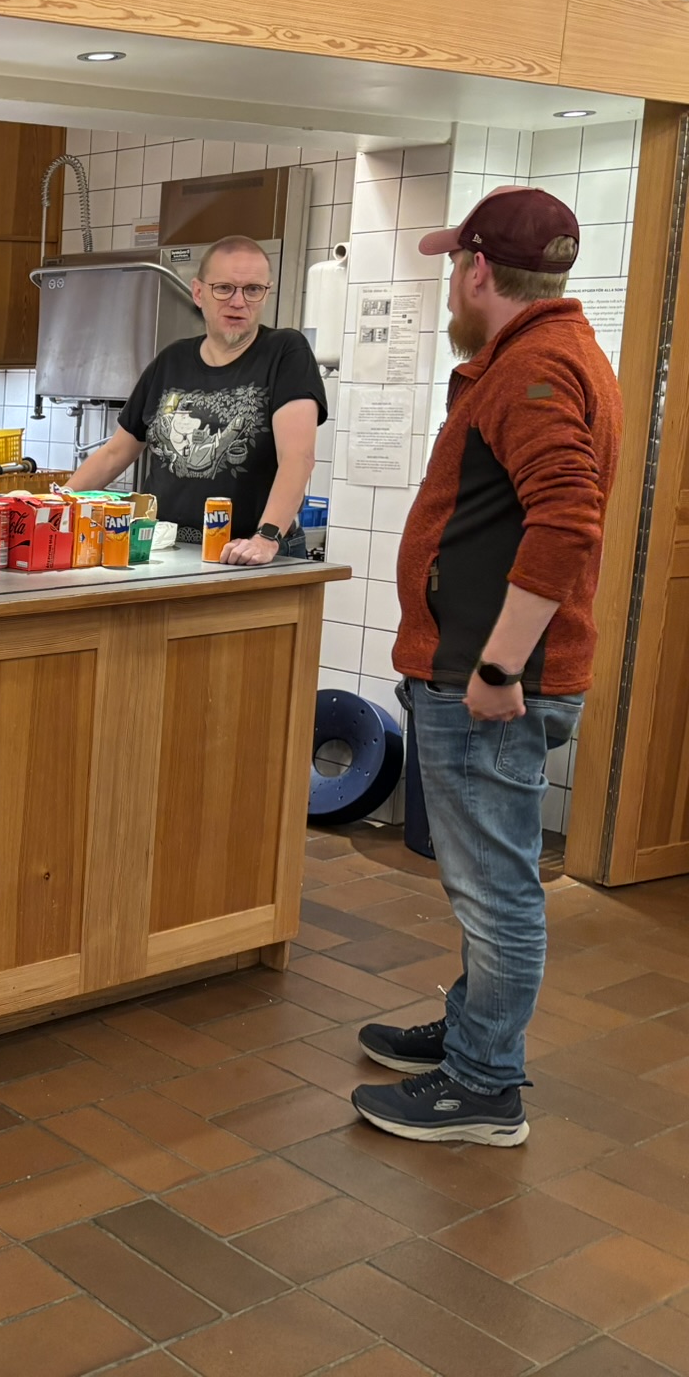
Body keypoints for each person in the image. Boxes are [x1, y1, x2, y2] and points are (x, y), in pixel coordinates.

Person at [353, 187, 620, 1147]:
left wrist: (500, 668)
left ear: (476, 270)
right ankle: (473, 1031)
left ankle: (483, 1085)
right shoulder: (551, 352)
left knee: (496, 889)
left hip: (490, 684)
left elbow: (567, 518)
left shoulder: (534, 368)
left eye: (451, 269)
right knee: (486, 880)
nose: (449, 291)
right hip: (486, 671)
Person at [65, 234, 325, 564]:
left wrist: (266, 538)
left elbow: (298, 457)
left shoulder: (285, 352)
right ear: (199, 293)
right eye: (224, 288)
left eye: (252, 289)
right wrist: (55, 505)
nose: (238, 301)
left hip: (248, 552)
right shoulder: (171, 360)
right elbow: (116, 452)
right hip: (167, 548)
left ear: (266, 293)